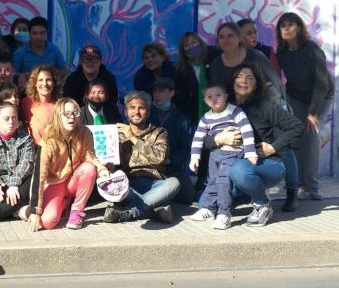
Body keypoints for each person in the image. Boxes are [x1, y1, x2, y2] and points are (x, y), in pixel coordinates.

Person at [215, 63, 304, 226]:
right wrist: (218, 139)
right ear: (232, 81)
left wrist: (273, 147)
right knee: (213, 202)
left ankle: (262, 204)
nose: (244, 81)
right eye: (239, 76)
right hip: (233, 165)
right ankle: (246, 193)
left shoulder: (264, 106)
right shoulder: (222, 107)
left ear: (256, 85)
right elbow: (204, 139)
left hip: (268, 165)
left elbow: (297, 126)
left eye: (250, 78)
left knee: (239, 171)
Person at [276, 12, 335, 201]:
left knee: (310, 137)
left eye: (290, 24)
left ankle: (311, 185)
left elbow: (321, 83)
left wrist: (313, 112)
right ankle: (297, 182)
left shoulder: (312, 50)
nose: (286, 28)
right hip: (296, 97)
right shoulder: (282, 52)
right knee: (298, 135)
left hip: (321, 97)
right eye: (282, 25)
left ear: (299, 28)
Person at [26, 98, 110, 231]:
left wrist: (101, 168)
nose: (72, 117)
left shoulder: (85, 132)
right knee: (48, 222)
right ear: (58, 116)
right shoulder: (48, 141)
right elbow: (38, 178)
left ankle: (77, 211)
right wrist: (35, 211)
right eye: (66, 114)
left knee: (89, 168)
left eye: (75, 113)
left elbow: (90, 156)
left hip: (73, 180)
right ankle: (59, 204)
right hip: (54, 183)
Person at [103, 91, 180, 224]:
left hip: (155, 184)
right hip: (128, 184)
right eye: (132, 108)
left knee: (174, 183)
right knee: (110, 182)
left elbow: (159, 159)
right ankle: (153, 208)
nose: (136, 112)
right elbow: (111, 163)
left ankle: (131, 212)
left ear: (148, 112)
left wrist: (132, 138)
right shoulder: (117, 134)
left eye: (141, 108)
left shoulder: (159, 132)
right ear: (126, 112)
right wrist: (109, 165)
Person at [188, 81, 258, 230]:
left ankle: (224, 214)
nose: (214, 99)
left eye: (218, 95)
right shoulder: (206, 118)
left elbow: (247, 131)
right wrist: (195, 157)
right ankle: (208, 208)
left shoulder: (235, 112)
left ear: (226, 96)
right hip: (215, 155)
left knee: (223, 181)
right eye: (209, 96)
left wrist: (251, 152)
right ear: (205, 100)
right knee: (212, 181)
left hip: (233, 153)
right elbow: (198, 138)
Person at [209, 22, 286, 110]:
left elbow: (276, 81)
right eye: (221, 37)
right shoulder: (216, 64)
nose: (226, 40)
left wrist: (286, 107)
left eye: (230, 36)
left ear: (239, 38)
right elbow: (217, 93)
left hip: (266, 107)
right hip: (235, 112)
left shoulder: (256, 55)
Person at [149, 77, 194, 205]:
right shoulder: (146, 114)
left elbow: (186, 150)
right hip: (149, 167)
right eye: (155, 91)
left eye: (162, 91)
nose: (157, 94)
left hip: (172, 167)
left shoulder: (181, 119)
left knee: (188, 196)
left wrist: (170, 159)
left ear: (171, 93)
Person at [173, 32, 221, 127]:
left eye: (194, 42)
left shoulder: (214, 56)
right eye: (186, 45)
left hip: (220, 106)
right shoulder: (181, 70)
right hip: (196, 113)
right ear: (183, 51)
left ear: (201, 43)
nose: (191, 47)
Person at [63, 45, 119, 116]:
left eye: (94, 59)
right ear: (81, 61)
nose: (90, 63)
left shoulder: (109, 79)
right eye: (86, 59)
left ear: (100, 61)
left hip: (105, 116)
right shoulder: (72, 80)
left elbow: (112, 103)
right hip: (78, 116)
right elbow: (68, 103)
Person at [20, 65, 60, 145]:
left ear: (54, 83)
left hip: (55, 150)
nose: (44, 84)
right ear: (35, 83)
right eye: (40, 80)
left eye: (48, 80)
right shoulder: (26, 103)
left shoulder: (60, 105)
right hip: (32, 150)